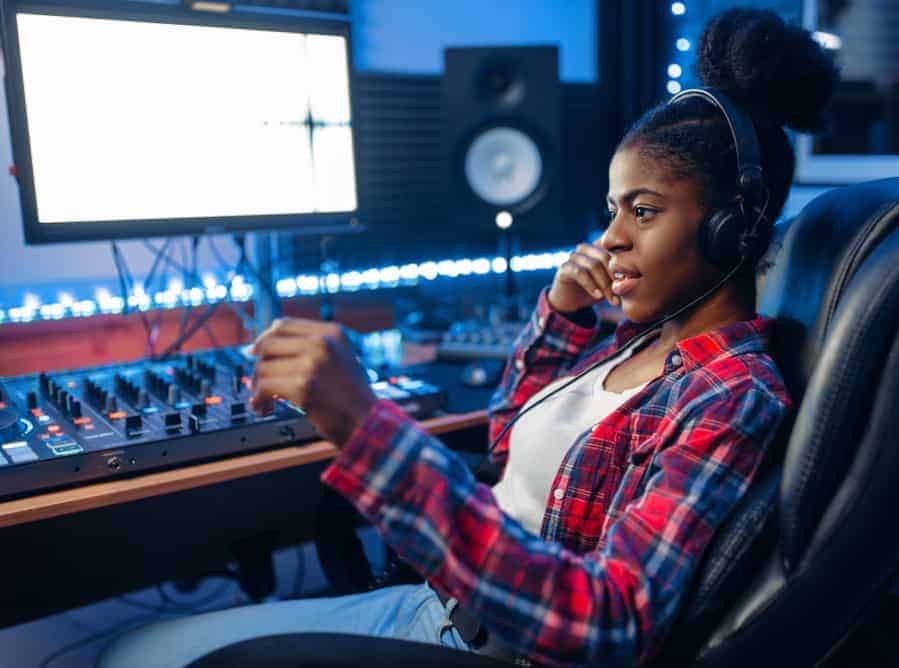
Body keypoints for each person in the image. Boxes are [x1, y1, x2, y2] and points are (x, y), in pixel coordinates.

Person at [100, 7, 838, 667]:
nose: (610, 237)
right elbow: (510, 440)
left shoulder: (731, 395)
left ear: (730, 226)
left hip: (494, 645)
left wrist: (367, 427)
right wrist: (561, 313)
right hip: (441, 605)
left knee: (135, 660)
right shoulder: (642, 340)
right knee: (132, 649)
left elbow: (610, 622)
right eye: (612, 209)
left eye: (641, 212)